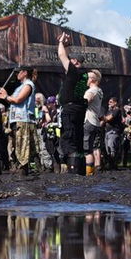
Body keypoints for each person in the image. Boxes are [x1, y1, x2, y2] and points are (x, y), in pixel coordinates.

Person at [55, 34, 87, 176]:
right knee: (77, 139)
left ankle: (73, 173)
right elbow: (66, 56)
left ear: (75, 62)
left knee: (69, 140)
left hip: (70, 109)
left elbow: (62, 56)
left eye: (72, 59)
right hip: (78, 108)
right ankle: (80, 171)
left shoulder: (74, 72)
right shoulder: (83, 73)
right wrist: (67, 45)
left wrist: (61, 42)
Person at [4, 65, 36, 174]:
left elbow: (18, 100)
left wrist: (6, 96)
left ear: (25, 73)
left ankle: (23, 171)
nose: (17, 74)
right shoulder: (20, 86)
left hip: (23, 118)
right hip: (15, 119)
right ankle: (20, 168)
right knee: (15, 146)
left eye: (19, 72)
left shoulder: (28, 85)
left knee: (23, 146)